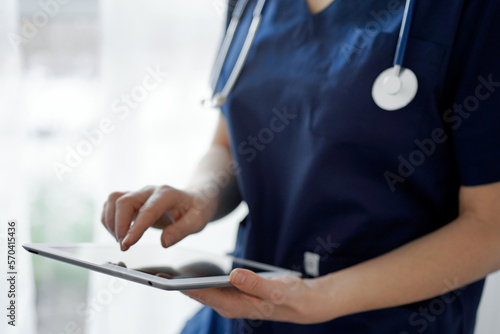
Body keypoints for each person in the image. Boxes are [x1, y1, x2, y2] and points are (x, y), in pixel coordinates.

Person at [101, 0, 500, 332]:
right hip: (239, 312)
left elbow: (490, 226)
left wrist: (324, 296)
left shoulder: (468, 11)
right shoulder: (253, 5)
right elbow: (230, 143)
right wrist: (199, 196)